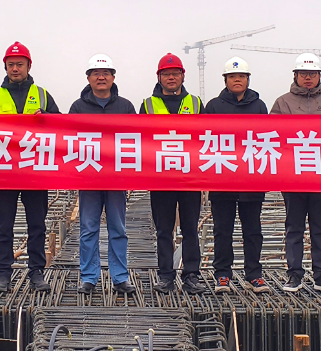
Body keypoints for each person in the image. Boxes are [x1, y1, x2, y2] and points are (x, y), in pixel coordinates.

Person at [0, 41, 57, 293]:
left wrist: (45, 118)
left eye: (20, 64)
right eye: (11, 64)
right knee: (4, 226)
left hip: (35, 171)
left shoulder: (43, 95)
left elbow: (61, 127)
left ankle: (36, 273)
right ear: (5, 67)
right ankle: (3, 274)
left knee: (37, 225)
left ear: (28, 66)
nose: (15, 69)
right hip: (5, 172)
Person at [270, 53, 321, 293]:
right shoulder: (283, 103)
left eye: (313, 74)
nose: (308, 78)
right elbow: (272, 136)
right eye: (304, 74)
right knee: (294, 227)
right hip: (293, 177)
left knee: (320, 228)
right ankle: (294, 275)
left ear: (319, 76)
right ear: (295, 75)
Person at [69, 54, 138, 296]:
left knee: (118, 228)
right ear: (88, 78)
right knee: (88, 228)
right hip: (88, 178)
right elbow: (68, 139)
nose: (101, 77)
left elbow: (136, 141)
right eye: (96, 73)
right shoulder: (78, 108)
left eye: (106, 73)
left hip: (117, 178)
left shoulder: (126, 107)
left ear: (113, 77)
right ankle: (89, 277)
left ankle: (120, 277)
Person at [203, 56, 270, 294]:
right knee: (223, 230)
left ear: (248, 79)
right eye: (232, 77)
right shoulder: (213, 106)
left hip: (251, 180)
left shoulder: (259, 106)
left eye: (241, 76)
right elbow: (205, 140)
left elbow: (266, 140)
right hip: (222, 178)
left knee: (253, 231)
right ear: (226, 80)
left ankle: (254, 275)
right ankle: (222, 274)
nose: (237, 80)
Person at [141, 53, 206, 294]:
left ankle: (191, 275)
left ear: (182, 76)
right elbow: (139, 138)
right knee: (163, 230)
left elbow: (207, 136)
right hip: (160, 178)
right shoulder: (148, 105)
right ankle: (165, 276)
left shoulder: (196, 103)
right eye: (166, 74)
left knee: (190, 229)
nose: (171, 77)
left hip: (190, 177)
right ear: (159, 77)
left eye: (175, 73)